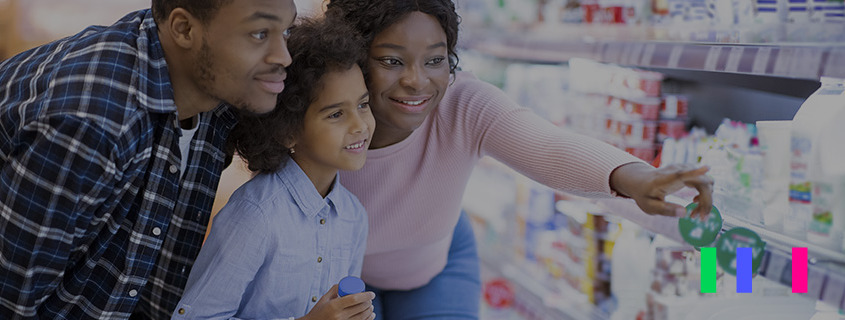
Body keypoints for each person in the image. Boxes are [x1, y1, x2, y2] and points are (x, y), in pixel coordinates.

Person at [321, 1, 716, 318]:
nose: (417, 81)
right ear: (352, 56)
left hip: (434, 264)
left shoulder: (462, 103)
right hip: (333, 277)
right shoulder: (314, 117)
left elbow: (549, 146)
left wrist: (635, 177)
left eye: (435, 60)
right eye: (391, 61)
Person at [0, 0, 296, 318]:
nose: (284, 56)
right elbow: (12, 303)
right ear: (184, 29)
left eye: (287, 30)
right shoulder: (92, 125)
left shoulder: (208, 79)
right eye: (259, 33)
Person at [172, 17, 376, 320]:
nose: (360, 125)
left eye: (363, 104)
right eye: (336, 114)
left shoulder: (354, 216)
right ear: (287, 130)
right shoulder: (255, 215)